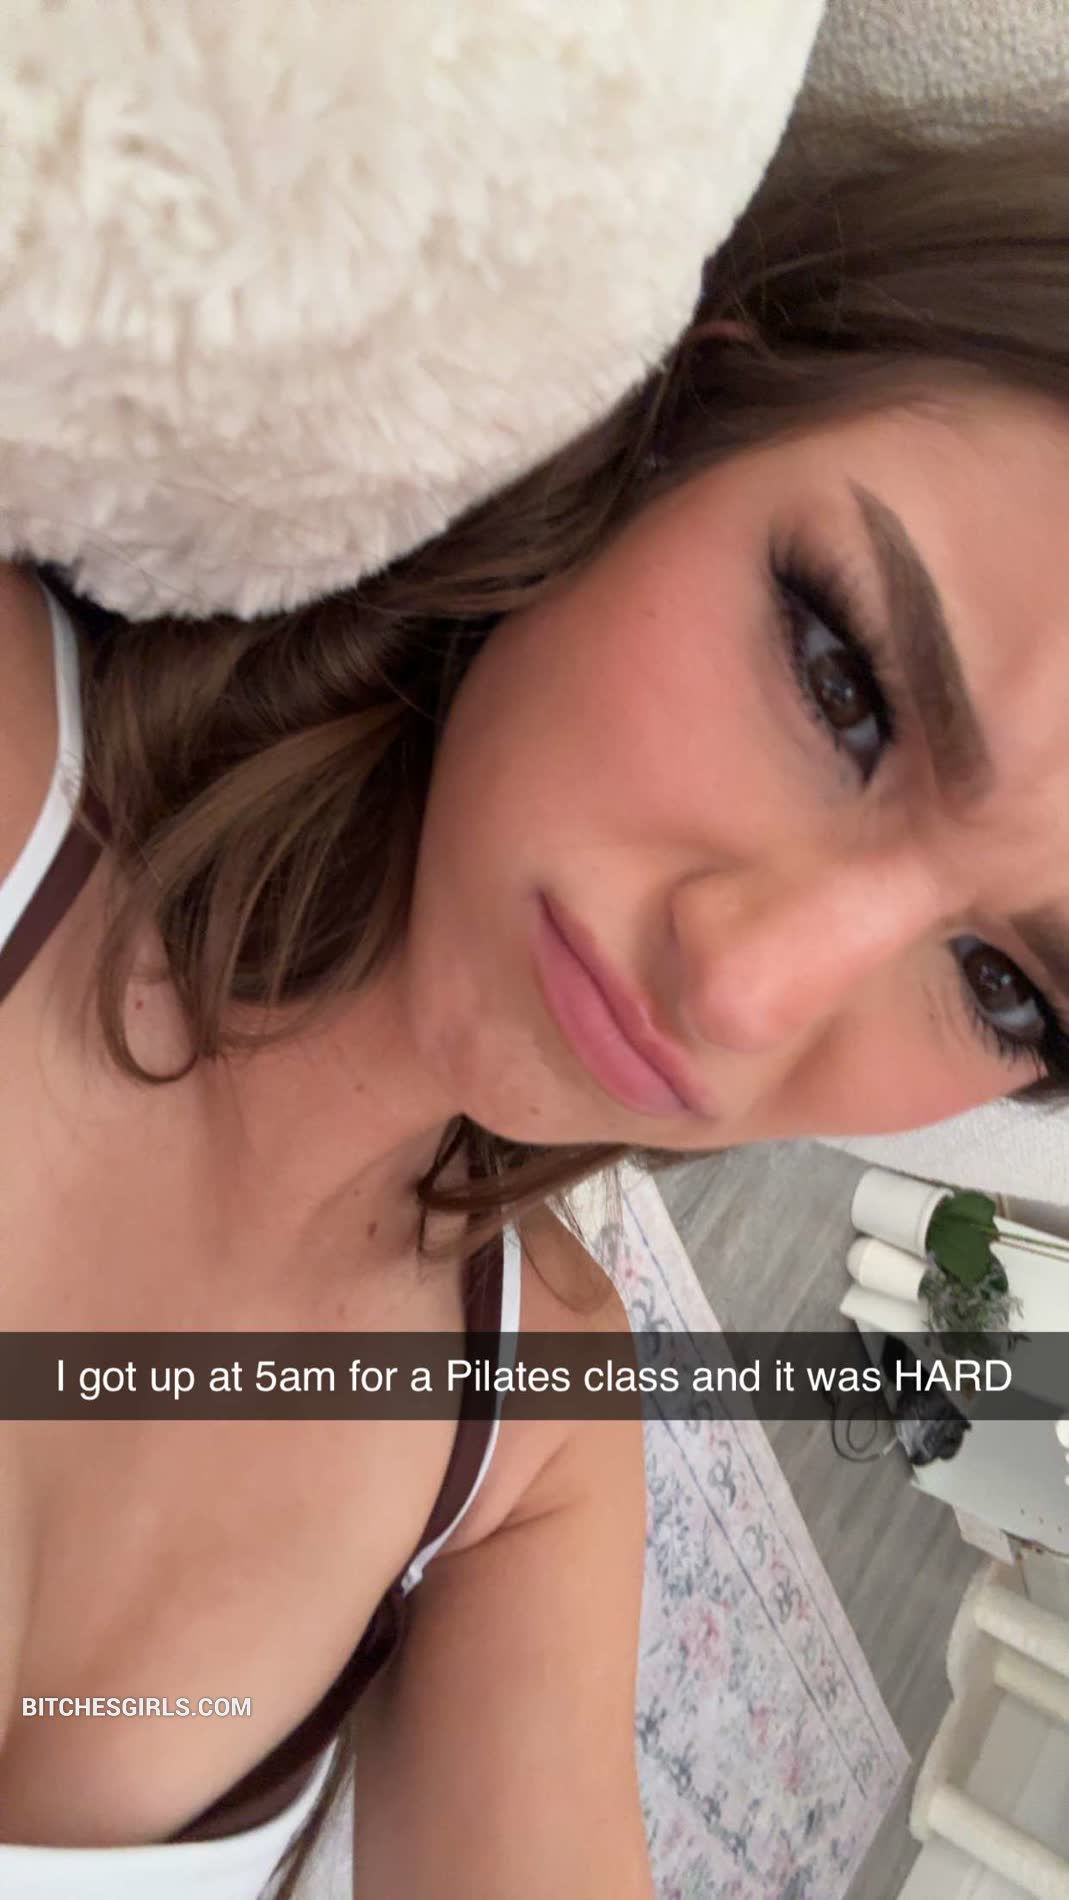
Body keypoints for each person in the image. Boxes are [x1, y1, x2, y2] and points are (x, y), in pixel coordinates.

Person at [3, 116, 1069, 1897]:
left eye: (1003, 986)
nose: (747, 988)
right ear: (678, 419)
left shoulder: (539, 1425)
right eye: (843, 680)